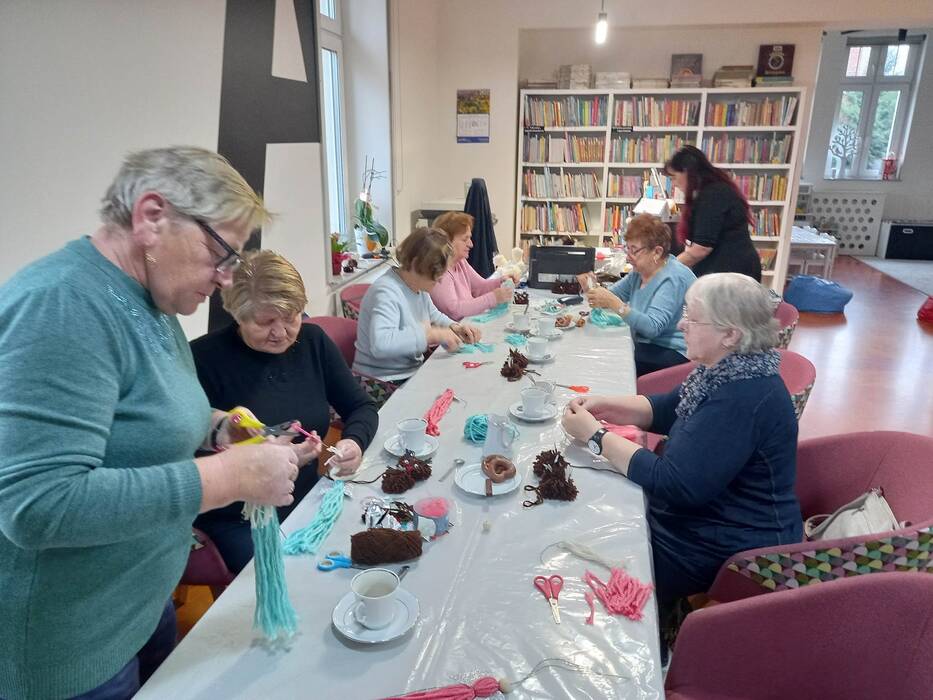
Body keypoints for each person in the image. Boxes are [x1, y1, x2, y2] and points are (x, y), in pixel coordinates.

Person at [0, 147, 312, 699]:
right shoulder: (62, 305)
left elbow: (137, 416)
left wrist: (219, 427)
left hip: (141, 604)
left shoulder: (150, 300)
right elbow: (37, 505)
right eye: (221, 253)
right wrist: (229, 478)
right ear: (151, 217)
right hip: (75, 646)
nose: (226, 278)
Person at [562, 273, 801, 647]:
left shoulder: (742, 397)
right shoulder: (729, 369)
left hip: (727, 543)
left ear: (730, 334)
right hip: (711, 520)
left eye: (692, 317)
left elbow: (676, 484)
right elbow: (667, 408)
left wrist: (596, 437)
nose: (680, 324)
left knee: (598, 547)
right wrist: (605, 405)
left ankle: (643, 641)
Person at [190, 250, 378, 573]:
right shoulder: (203, 360)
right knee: (292, 577)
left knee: (363, 547)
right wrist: (269, 457)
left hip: (305, 494)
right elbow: (190, 452)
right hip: (240, 515)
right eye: (265, 322)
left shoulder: (312, 342)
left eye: (291, 317)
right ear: (237, 315)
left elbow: (361, 406)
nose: (281, 333)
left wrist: (354, 443)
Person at [353, 227, 482, 382]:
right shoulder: (385, 292)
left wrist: (455, 327)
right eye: (436, 275)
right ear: (416, 265)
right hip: (382, 381)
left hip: (409, 372)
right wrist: (432, 334)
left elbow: (433, 315)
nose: (440, 280)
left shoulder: (417, 286)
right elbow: (381, 345)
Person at [580, 214, 695, 377]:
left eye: (634, 250)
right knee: (604, 349)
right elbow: (610, 296)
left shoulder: (673, 278)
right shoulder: (639, 272)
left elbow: (652, 328)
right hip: (648, 344)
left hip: (674, 352)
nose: (628, 256)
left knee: (609, 360)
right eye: (627, 249)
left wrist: (615, 304)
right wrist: (591, 288)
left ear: (657, 252)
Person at [665, 145, 762, 282]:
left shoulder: (713, 195)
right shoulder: (710, 191)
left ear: (687, 172)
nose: (673, 183)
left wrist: (666, 270)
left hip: (733, 275)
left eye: (674, 177)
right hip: (725, 272)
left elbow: (701, 249)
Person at [430, 211, 515, 321]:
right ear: (447, 242)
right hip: (453, 329)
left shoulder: (461, 262)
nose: (471, 244)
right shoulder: (440, 272)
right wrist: (492, 298)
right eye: (465, 239)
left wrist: (501, 281)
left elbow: (479, 287)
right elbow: (453, 311)